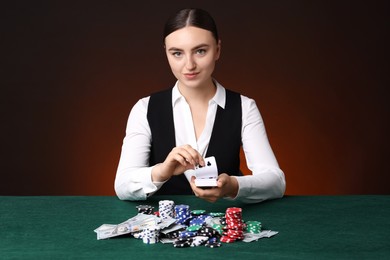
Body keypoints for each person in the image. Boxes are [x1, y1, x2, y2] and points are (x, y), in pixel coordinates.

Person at [114, 8, 286, 203]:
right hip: (163, 227)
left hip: (223, 225)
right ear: (166, 53)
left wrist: (233, 186)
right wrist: (162, 171)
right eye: (177, 53)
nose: (189, 65)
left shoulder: (244, 107)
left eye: (200, 51)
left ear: (217, 50)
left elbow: (276, 181)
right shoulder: (144, 108)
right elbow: (122, 185)